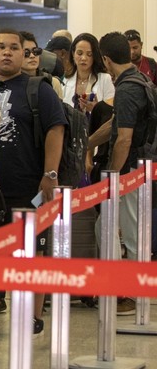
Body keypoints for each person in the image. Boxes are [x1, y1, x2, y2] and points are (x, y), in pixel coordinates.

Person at [0, 30, 65, 334]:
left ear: (24, 53)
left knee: (34, 254)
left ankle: (33, 317)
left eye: (14, 48)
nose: (7, 52)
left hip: (27, 186)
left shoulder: (37, 88)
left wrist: (50, 174)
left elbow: (56, 129)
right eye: (1, 47)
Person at [88, 31, 150, 315]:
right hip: (138, 171)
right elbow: (114, 125)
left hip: (129, 173)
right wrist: (86, 145)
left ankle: (133, 296)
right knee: (112, 229)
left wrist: (112, 176)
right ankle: (124, 291)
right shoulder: (139, 80)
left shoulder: (127, 88)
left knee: (131, 234)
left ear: (105, 59)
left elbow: (123, 138)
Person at [62, 33, 114, 116]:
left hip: (97, 127)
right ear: (73, 54)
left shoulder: (105, 79)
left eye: (89, 54)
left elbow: (112, 113)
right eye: (79, 53)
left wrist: (97, 109)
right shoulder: (66, 80)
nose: (84, 58)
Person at [20, 31, 62, 97]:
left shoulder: (52, 82)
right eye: (26, 53)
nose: (32, 56)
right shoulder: (9, 82)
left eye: (36, 51)